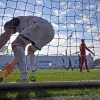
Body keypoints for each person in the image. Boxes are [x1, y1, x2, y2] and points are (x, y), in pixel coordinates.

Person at [0, 16, 54, 81]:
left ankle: (24, 77)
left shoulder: (13, 22)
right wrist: (10, 66)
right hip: (50, 33)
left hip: (39, 25)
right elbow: (19, 55)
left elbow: (6, 36)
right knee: (30, 49)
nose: (10, 32)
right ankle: (33, 72)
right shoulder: (24, 28)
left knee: (16, 44)